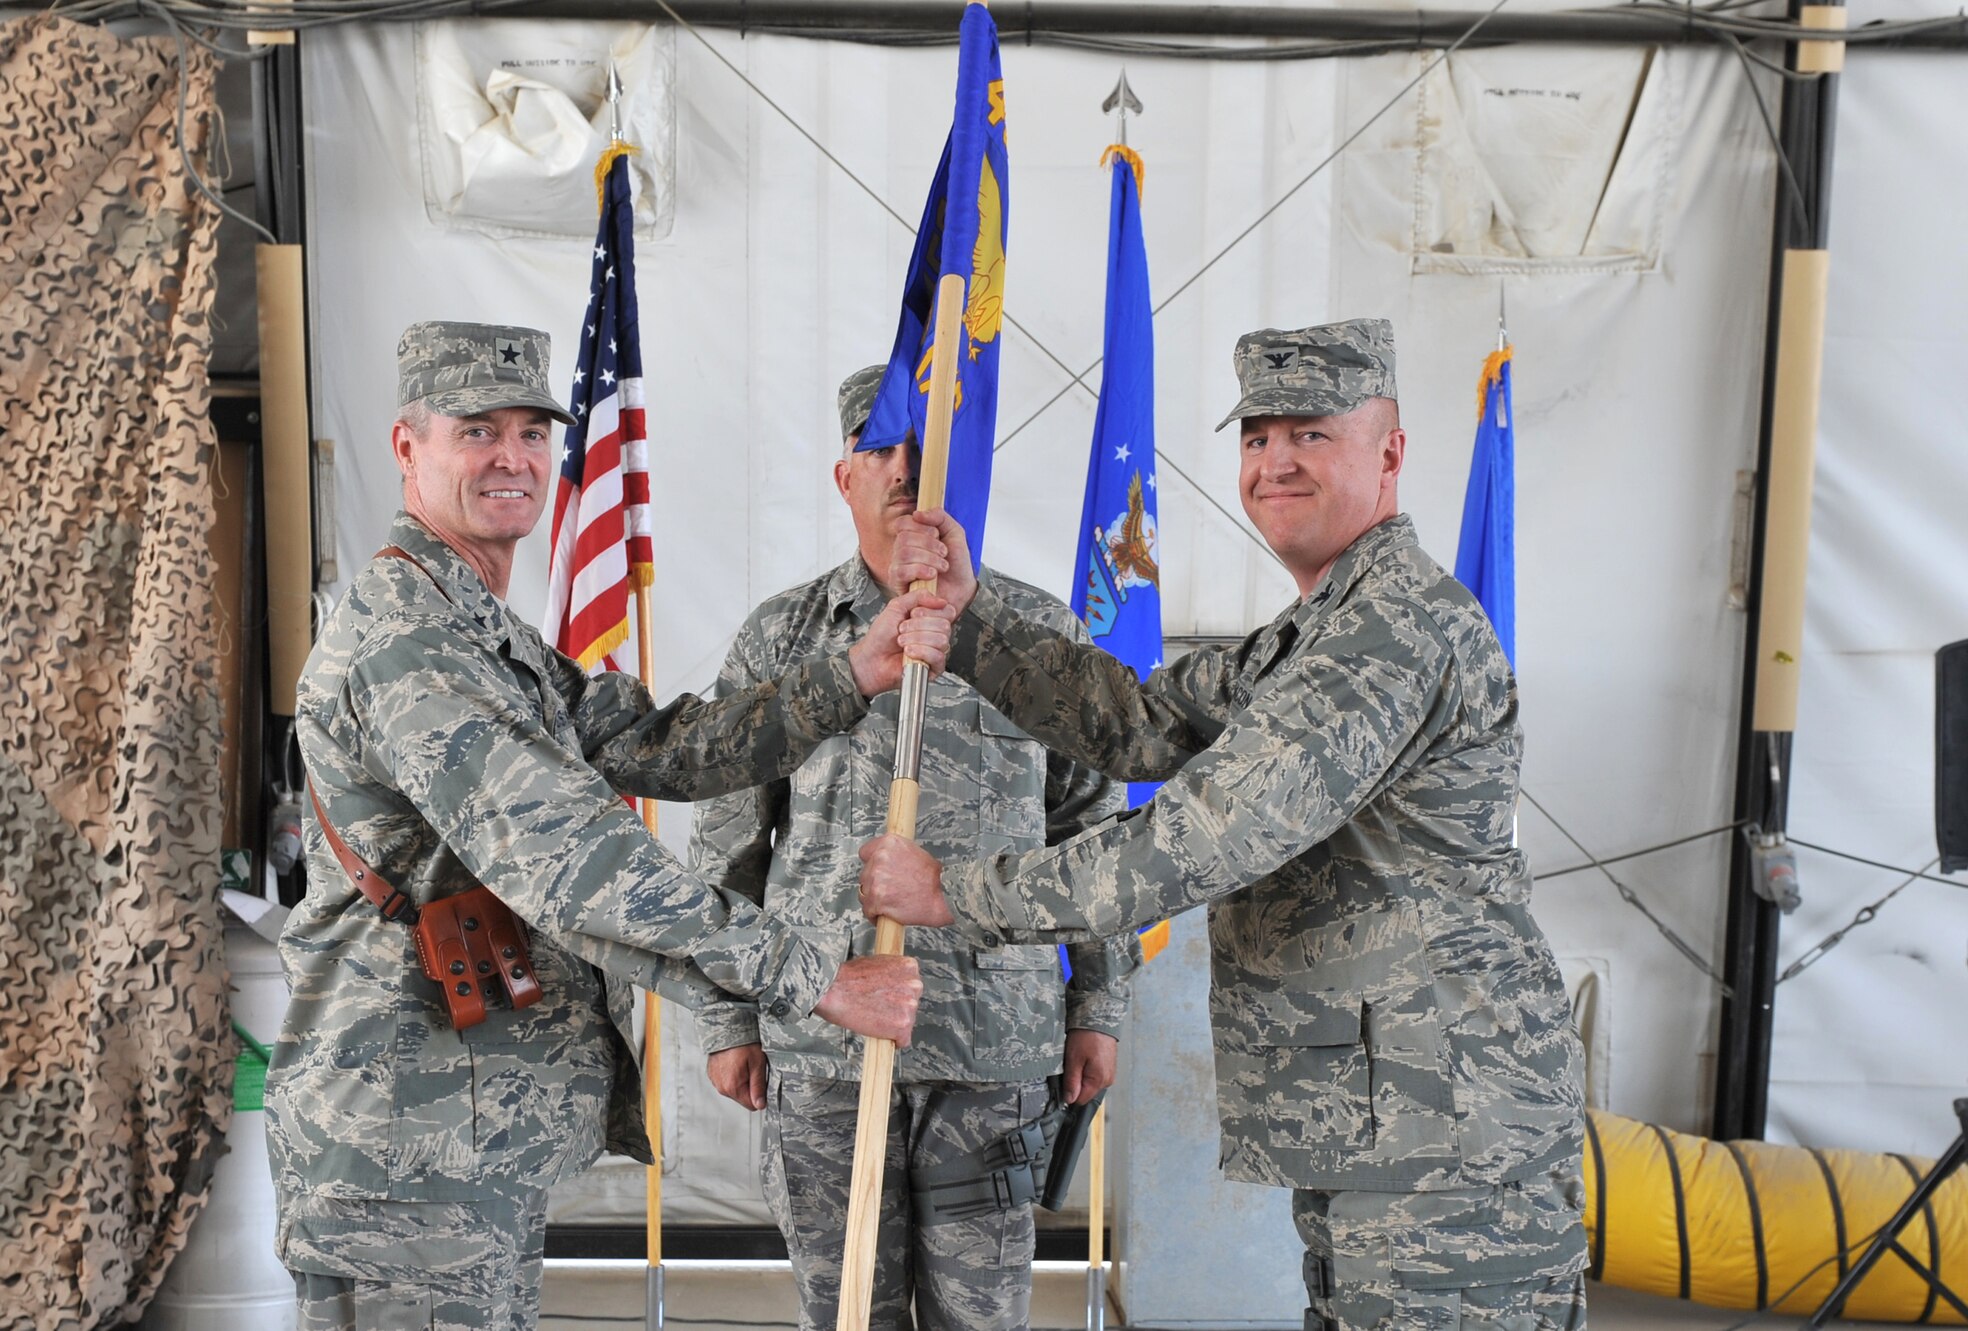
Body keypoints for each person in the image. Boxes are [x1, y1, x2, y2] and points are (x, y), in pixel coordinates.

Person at [862, 319, 1590, 1330]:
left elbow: (1204, 833)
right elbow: (1142, 721)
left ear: (1389, 451)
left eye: (1310, 433)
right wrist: (977, 622)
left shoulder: (1388, 632)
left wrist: (956, 891)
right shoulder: (1314, 630)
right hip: (1391, 1121)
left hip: (1445, 1133)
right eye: (1255, 436)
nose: (1273, 461)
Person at [266, 321, 941, 1331]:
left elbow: (659, 745)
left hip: (464, 1136)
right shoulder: (411, 642)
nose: (511, 457)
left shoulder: (478, 629)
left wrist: (850, 674)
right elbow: (579, 862)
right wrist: (819, 979)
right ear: (407, 446)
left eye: (531, 433)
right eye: (476, 430)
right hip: (405, 1151)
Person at [686, 364, 1139, 1331]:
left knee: (982, 1320)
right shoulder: (783, 640)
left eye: (924, 450)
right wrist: (726, 1019)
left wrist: (1096, 1002)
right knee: (848, 1313)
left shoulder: (1034, 637)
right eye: (880, 448)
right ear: (843, 474)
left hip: (996, 1050)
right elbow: (728, 838)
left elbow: (1093, 833)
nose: (902, 469)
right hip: (825, 1045)